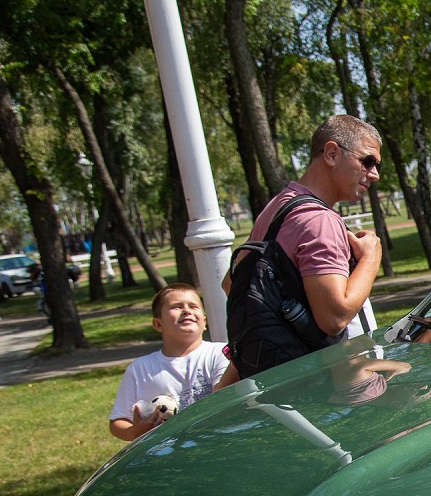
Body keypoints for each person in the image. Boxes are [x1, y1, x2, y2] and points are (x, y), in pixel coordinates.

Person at [220, 114, 383, 381]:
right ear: (331, 153)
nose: (374, 174)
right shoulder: (319, 220)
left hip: (283, 379)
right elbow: (334, 318)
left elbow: (231, 283)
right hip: (331, 386)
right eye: (367, 161)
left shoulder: (278, 208)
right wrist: (370, 258)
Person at [108, 284, 230, 441]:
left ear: (204, 322)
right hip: (167, 449)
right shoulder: (140, 369)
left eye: (193, 306)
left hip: (217, 440)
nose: (187, 311)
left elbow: (224, 397)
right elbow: (118, 422)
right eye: (176, 307)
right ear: (158, 324)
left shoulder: (220, 353)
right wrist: (135, 432)